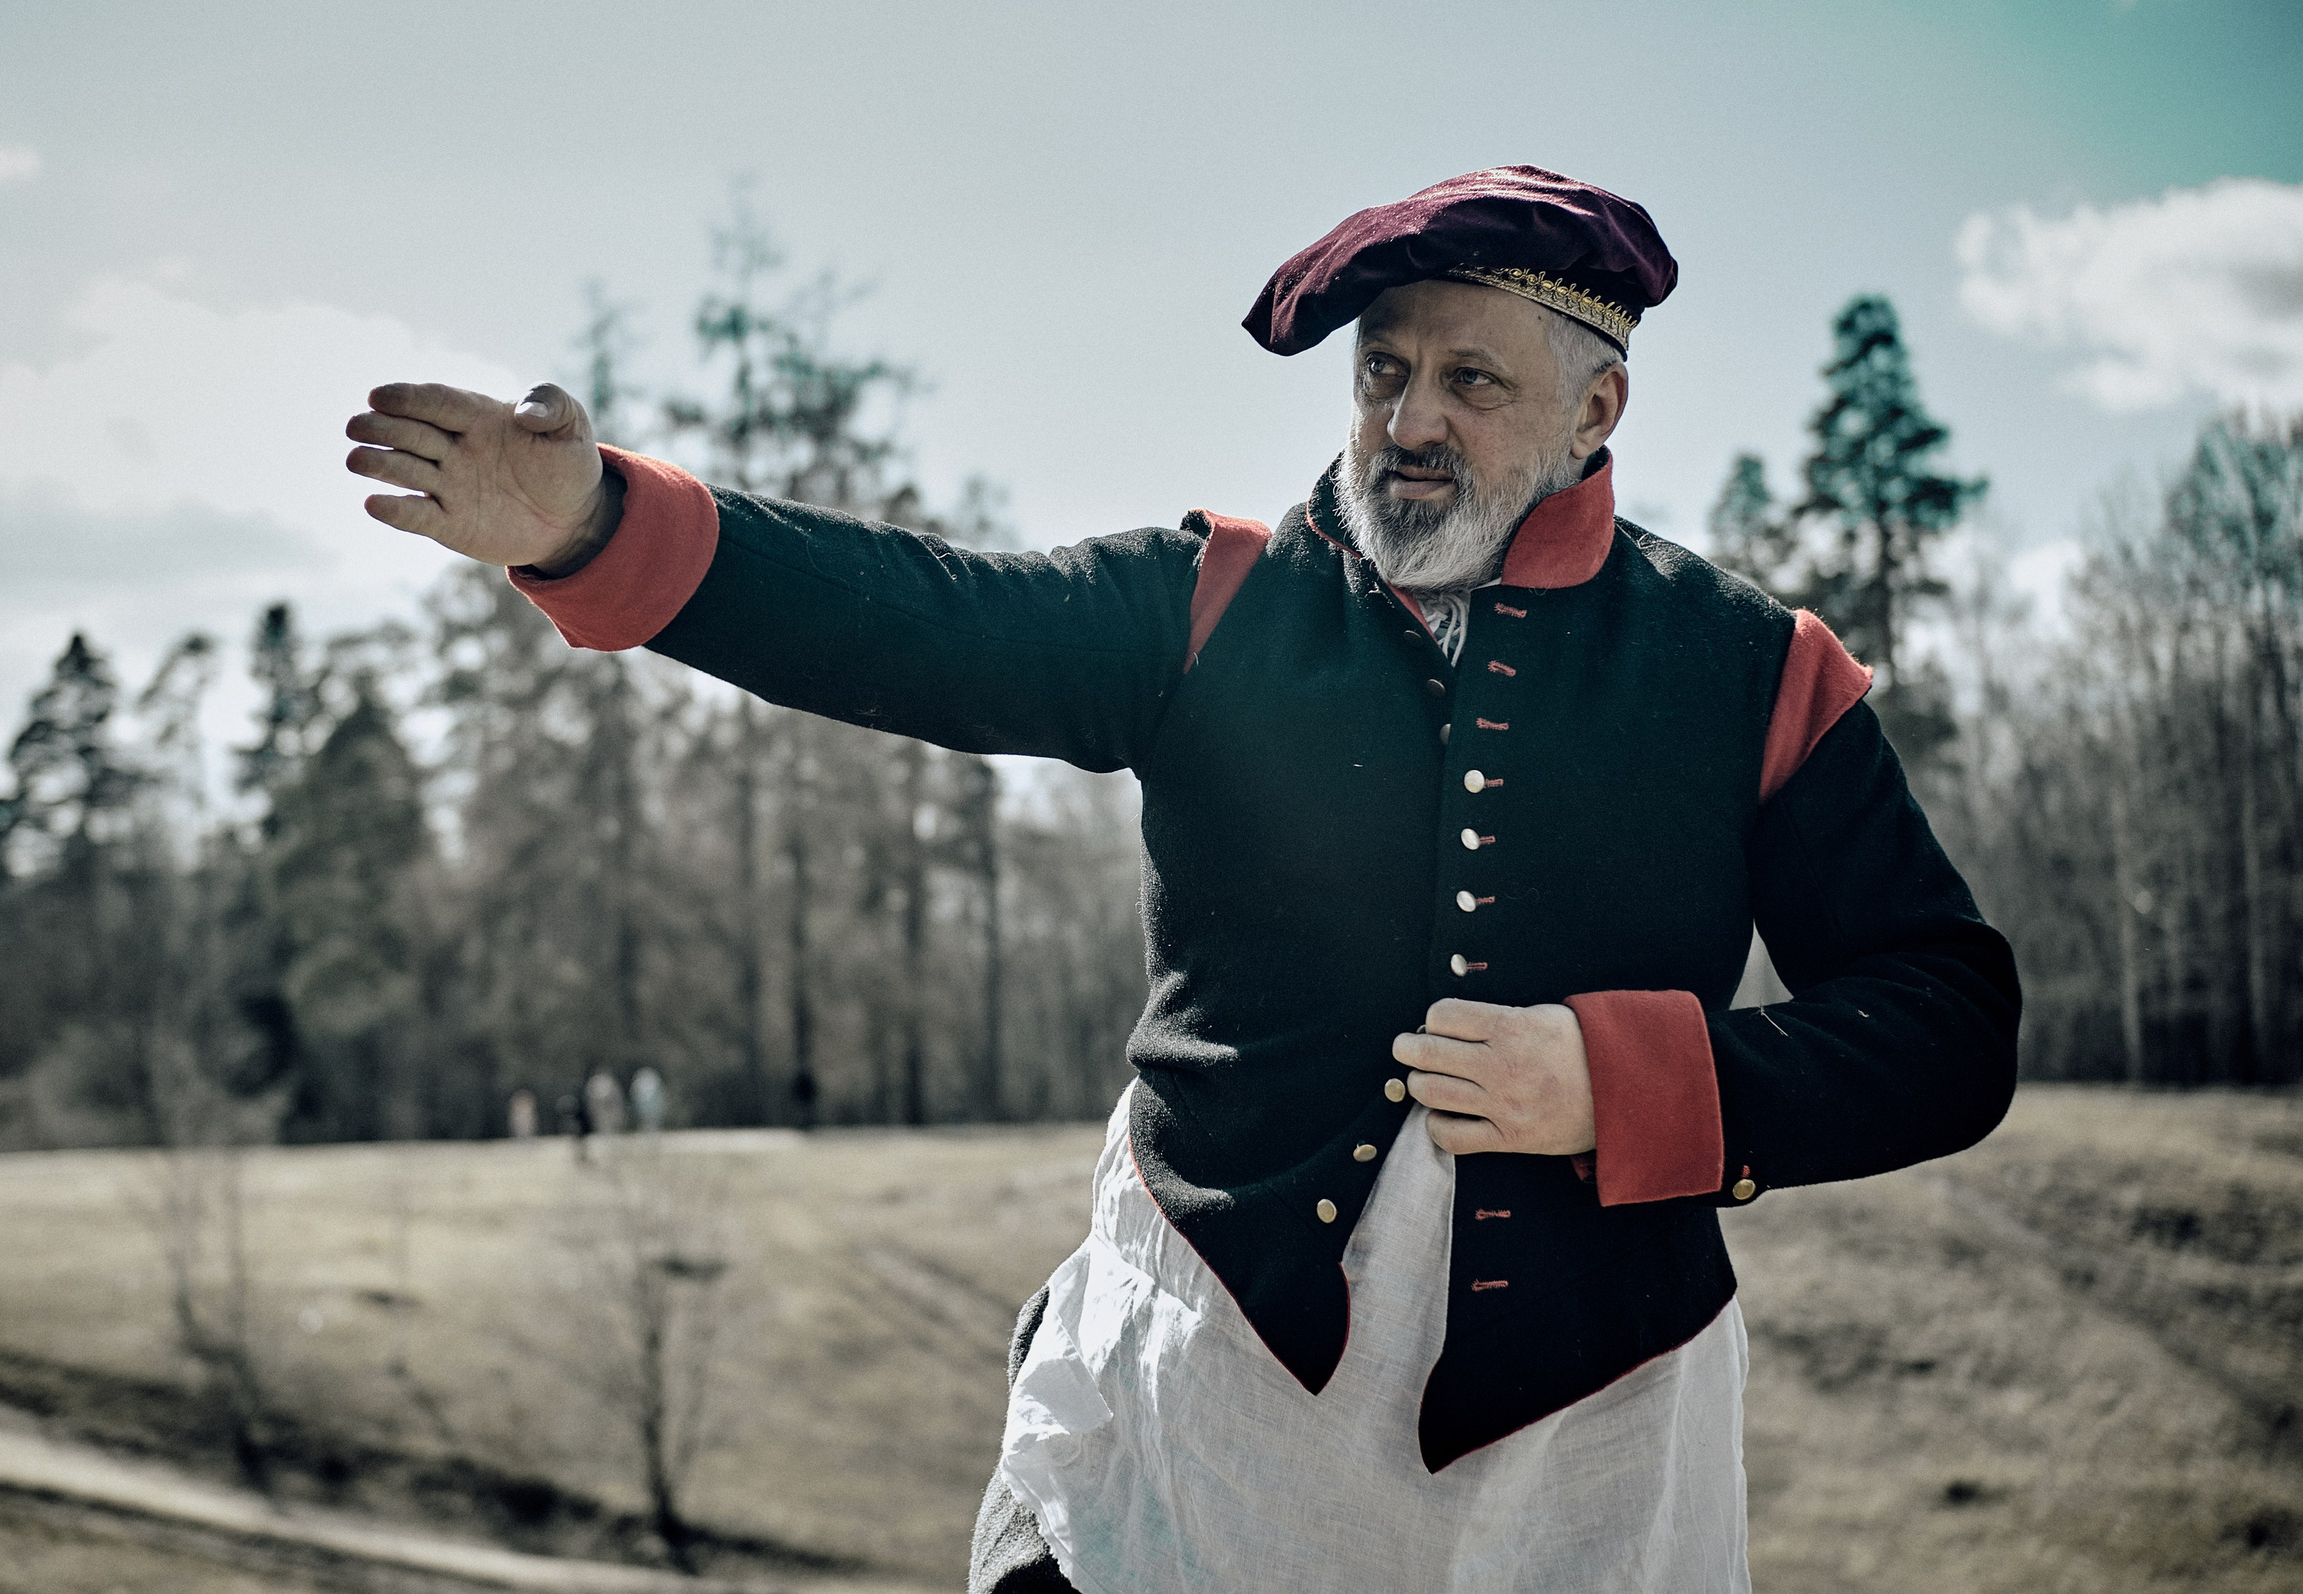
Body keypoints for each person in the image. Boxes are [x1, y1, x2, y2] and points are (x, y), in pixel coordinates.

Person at [339, 166, 2020, 1593]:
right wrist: (589, 524)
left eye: (1472, 382)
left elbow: (1951, 1021)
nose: (1410, 420)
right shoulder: (1211, 603)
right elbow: (917, 618)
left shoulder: (1754, 671)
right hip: (1206, 1391)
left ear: (1600, 406)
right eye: (1384, 374)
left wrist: (1634, 1083)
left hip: (1594, 1451)